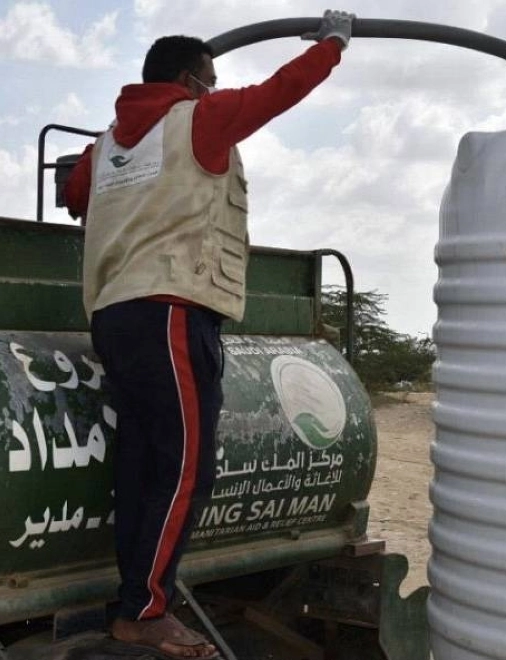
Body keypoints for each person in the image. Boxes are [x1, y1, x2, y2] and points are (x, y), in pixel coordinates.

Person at [64, 10, 354, 659]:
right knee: (183, 466)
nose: (216, 90)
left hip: (114, 314)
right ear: (190, 81)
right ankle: (145, 610)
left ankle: (137, 602)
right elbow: (280, 91)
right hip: (171, 310)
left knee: (144, 464)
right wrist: (333, 43)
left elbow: (75, 195)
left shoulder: (104, 146)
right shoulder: (198, 119)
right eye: (211, 80)